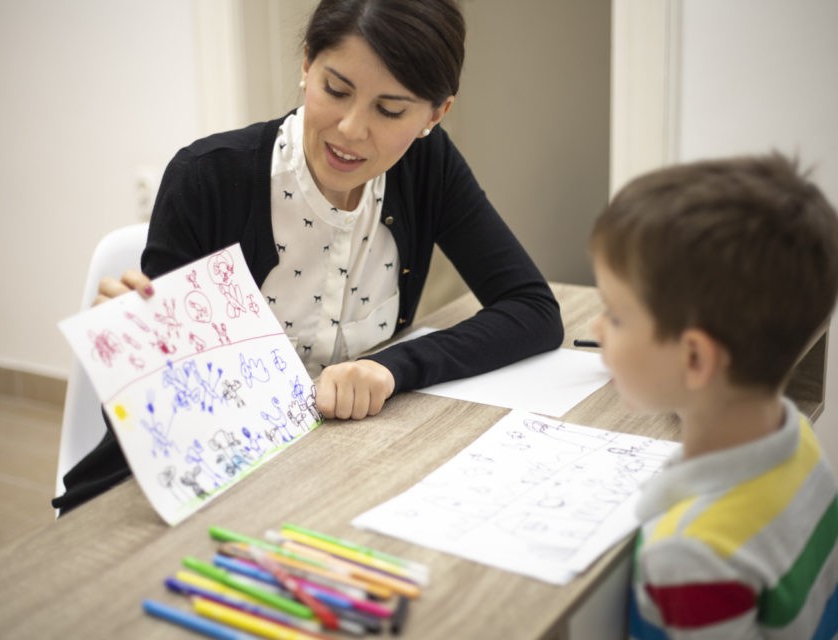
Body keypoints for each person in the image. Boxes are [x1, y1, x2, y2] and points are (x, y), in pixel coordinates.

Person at [52, 0, 563, 513]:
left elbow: (532, 310)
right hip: (200, 486)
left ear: (435, 113)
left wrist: (390, 368)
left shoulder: (427, 167)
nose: (350, 129)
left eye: (390, 110)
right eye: (335, 90)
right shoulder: (207, 177)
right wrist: (136, 346)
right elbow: (167, 417)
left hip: (340, 468)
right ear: (306, 65)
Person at [589, 153, 838, 638]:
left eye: (615, 316)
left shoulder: (692, 556)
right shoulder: (800, 441)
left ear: (695, 359)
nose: (596, 329)